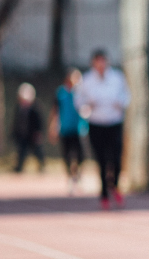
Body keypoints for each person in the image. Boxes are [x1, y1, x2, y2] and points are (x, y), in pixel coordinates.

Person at [76, 50, 131, 210]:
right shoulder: (86, 80)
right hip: (96, 123)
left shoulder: (117, 77)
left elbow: (126, 96)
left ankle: (114, 185)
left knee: (116, 158)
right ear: (93, 63)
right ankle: (104, 194)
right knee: (101, 160)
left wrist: (120, 103)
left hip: (114, 122)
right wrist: (88, 106)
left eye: (103, 60)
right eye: (97, 61)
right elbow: (79, 101)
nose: (101, 64)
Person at [50, 68, 87, 195]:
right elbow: (55, 111)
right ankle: (71, 178)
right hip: (65, 129)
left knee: (81, 156)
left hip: (79, 129)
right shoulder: (61, 93)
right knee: (67, 155)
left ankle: (77, 176)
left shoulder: (81, 92)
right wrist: (54, 127)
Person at [12, 83, 44, 173]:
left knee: (37, 151)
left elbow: (39, 122)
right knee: (21, 151)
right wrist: (14, 132)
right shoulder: (19, 107)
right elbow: (16, 121)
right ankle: (19, 167)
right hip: (22, 133)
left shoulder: (35, 107)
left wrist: (38, 133)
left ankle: (42, 166)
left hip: (32, 133)